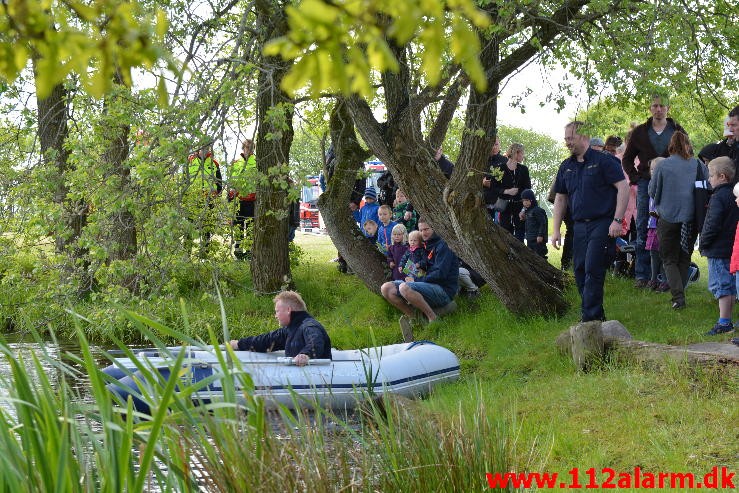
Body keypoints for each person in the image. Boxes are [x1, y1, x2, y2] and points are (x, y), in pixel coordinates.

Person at [552, 121, 629, 322]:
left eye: (571, 138)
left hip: (602, 223)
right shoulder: (566, 166)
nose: (567, 142)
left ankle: (589, 318)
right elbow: (560, 198)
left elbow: (623, 188)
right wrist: (556, 229)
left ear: (584, 137)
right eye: (566, 138)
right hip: (578, 226)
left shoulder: (604, 161)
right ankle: (596, 314)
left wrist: (617, 220)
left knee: (593, 268)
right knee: (579, 269)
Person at [621, 94, 687, 290]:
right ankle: (643, 274)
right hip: (645, 183)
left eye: (662, 106)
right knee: (643, 226)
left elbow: (687, 152)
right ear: (650, 108)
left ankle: (666, 276)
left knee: (669, 227)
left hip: (670, 185)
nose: (658, 109)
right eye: (655, 106)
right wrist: (635, 177)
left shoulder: (676, 130)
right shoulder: (640, 132)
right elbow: (627, 158)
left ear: (668, 108)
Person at [648, 131, 706, 310]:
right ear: (688, 144)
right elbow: (707, 187)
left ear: (670, 146)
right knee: (684, 257)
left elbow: (652, 191)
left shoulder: (663, 166)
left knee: (668, 259)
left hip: (668, 217)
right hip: (691, 218)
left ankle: (678, 297)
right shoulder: (698, 165)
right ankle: (679, 295)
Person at [380, 218, 459, 342]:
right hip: (426, 286)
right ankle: (416, 318)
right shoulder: (424, 245)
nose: (423, 233)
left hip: (444, 290)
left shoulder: (443, 245)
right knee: (386, 288)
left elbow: (440, 274)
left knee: (404, 287)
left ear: (435, 228)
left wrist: (416, 279)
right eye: (421, 230)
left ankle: (433, 318)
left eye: (426, 229)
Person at [229, 291, 332, 366]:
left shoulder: (309, 326)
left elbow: (316, 342)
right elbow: (265, 341)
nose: (275, 315)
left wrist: (305, 354)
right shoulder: (289, 330)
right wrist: (238, 344)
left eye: (277, 311)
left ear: (288, 310)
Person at [699, 157, 739, 335]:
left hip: (717, 248)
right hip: (731, 248)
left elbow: (712, 223)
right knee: (730, 285)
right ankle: (728, 320)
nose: (709, 179)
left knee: (721, 286)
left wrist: (704, 242)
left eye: (711, 175)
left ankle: (724, 322)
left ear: (722, 176)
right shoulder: (735, 195)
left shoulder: (718, 197)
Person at [185, 143, 223, 256]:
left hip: (208, 199)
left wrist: (217, 193)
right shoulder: (190, 161)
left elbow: (219, 181)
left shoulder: (214, 163)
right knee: (189, 226)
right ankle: (186, 254)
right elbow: (184, 180)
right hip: (193, 199)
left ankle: (204, 254)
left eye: (207, 148)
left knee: (206, 227)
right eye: (203, 147)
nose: (205, 150)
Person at [489, 143, 531, 241]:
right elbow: (493, 188)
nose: (523, 156)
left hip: (519, 206)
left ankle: (520, 255)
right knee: (505, 233)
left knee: (520, 232)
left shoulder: (523, 169)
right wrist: (506, 191)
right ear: (516, 153)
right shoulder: (499, 169)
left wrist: (524, 209)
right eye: (522, 153)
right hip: (504, 207)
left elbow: (527, 189)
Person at [228, 139, 257, 259]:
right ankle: (238, 252)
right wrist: (230, 201)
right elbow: (231, 182)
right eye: (246, 147)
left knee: (250, 227)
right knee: (238, 226)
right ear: (243, 148)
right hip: (239, 201)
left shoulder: (257, 162)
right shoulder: (236, 163)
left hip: (252, 200)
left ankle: (250, 252)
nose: (248, 150)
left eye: (251, 148)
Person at [645, 158, 668, 292]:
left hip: (663, 224)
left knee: (664, 253)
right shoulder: (650, 184)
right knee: (653, 253)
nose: (654, 171)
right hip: (652, 224)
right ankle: (653, 278)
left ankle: (664, 280)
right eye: (652, 169)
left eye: (657, 169)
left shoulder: (667, 185)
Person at [482, 136, 508, 219]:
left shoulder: (505, 161)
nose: (494, 147)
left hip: (498, 203)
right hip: (483, 201)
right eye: (492, 144)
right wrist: (482, 182)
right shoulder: (481, 160)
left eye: (496, 144)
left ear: (500, 145)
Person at [519, 189, 548, 259]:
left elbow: (543, 223)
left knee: (539, 256)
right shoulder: (527, 211)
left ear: (531, 200)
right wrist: (523, 214)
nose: (525, 202)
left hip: (537, 239)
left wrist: (540, 235)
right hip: (530, 238)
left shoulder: (537, 210)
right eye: (523, 201)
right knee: (531, 257)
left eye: (526, 200)